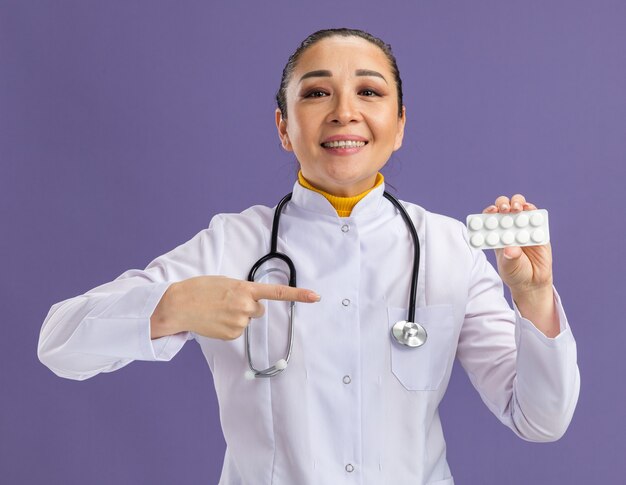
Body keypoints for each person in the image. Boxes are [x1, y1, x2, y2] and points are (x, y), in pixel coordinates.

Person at [38, 28, 580, 485]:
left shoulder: (448, 249)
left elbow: (540, 419)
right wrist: (173, 305)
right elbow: (59, 343)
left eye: (369, 92)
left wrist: (532, 296)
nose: (345, 113)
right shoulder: (230, 244)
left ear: (400, 126)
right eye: (317, 93)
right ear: (283, 127)